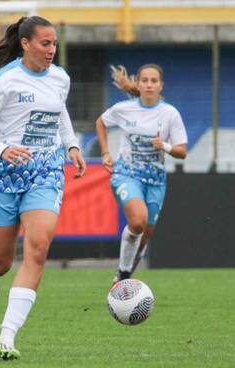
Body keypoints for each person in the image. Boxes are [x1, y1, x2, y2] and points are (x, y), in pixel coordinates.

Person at [0, 16, 86, 360]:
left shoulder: (60, 78)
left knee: (38, 246)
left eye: (54, 44)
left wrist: (72, 146)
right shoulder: (2, 80)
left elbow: (60, 114)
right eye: (45, 43)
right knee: (2, 263)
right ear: (25, 44)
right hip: (6, 172)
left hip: (47, 171)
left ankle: (6, 336)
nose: (52, 50)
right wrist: (2, 149)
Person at [96, 64, 188, 284]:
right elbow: (101, 122)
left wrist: (163, 146)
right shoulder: (124, 109)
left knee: (144, 237)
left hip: (155, 181)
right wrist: (106, 153)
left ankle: (123, 278)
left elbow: (182, 151)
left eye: (153, 81)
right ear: (138, 84)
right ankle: (124, 276)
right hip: (127, 174)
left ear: (160, 85)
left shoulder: (169, 113)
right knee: (137, 221)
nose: (148, 84)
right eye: (144, 80)